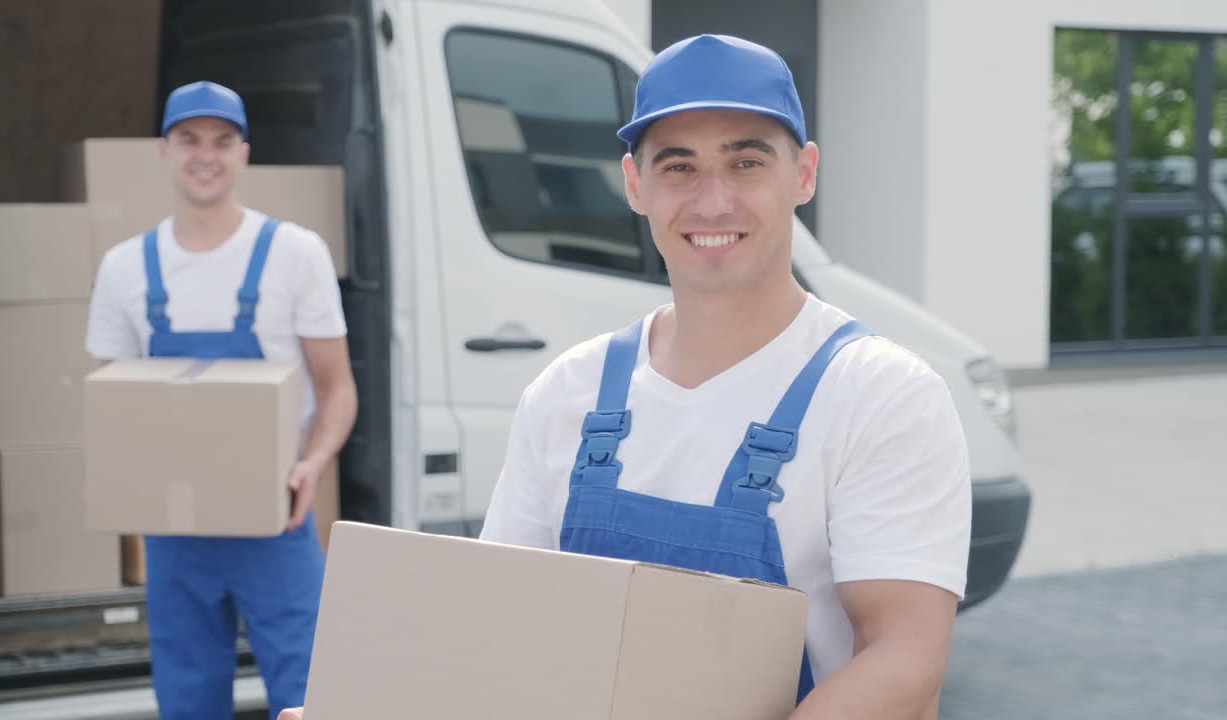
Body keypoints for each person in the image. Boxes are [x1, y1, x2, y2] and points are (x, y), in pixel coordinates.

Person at [280, 34, 970, 720]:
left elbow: (905, 661)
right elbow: (500, 633)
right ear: (635, 185)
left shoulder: (880, 395)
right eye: (679, 168)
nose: (711, 202)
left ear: (805, 174)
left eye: (746, 162)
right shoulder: (567, 395)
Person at [85, 80, 357, 720]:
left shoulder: (293, 255)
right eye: (189, 140)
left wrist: (312, 465)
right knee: (186, 700)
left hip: (276, 515)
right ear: (163, 151)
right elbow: (117, 408)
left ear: (243, 154)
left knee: (313, 694)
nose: (205, 155)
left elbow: (338, 388)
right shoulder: (125, 268)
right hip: (175, 530)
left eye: (222, 141)